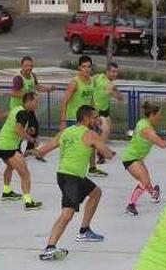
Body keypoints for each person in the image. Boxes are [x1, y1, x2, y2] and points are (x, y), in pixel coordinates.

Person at [36, 105, 115, 261]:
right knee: (68, 213)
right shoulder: (90, 134)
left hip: (66, 175)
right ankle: (49, 248)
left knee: (96, 192)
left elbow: (43, 150)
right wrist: (103, 135)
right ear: (85, 118)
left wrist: (35, 150)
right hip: (72, 178)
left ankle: (84, 230)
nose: (97, 119)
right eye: (94, 117)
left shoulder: (65, 132)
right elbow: (107, 154)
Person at [122, 101, 166, 216]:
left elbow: (138, 134)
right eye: (159, 114)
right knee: (144, 181)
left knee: (146, 179)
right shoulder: (147, 130)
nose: (161, 116)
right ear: (152, 115)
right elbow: (162, 144)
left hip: (136, 158)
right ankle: (131, 205)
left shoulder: (142, 122)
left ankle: (154, 194)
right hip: (131, 158)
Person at [0, 91, 42, 210]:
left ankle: (7, 191)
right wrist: (32, 140)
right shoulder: (23, 113)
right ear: (29, 101)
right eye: (36, 102)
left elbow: (16, 127)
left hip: (1, 144)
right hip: (8, 147)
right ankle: (28, 202)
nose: (37, 104)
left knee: (10, 167)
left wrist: (27, 132)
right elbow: (17, 130)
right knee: (25, 174)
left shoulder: (17, 109)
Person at [59, 56, 106, 177]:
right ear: (79, 67)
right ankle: (70, 170)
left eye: (89, 66)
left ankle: (92, 168)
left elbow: (91, 101)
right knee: (77, 146)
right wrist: (63, 121)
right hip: (73, 119)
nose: (86, 69)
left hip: (87, 120)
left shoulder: (91, 82)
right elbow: (64, 102)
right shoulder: (74, 83)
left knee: (92, 143)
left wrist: (96, 116)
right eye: (84, 66)